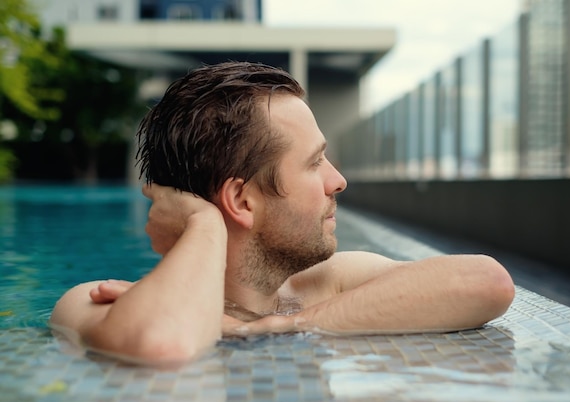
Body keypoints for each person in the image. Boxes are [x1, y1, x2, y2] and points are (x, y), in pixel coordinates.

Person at [49, 62, 515, 365]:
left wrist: (283, 326)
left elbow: (487, 282)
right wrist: (204, 223)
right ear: (241, 202)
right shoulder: (96, 302)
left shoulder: (320, 288)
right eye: (314, 163)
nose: (338, 180)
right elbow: (163, 345)